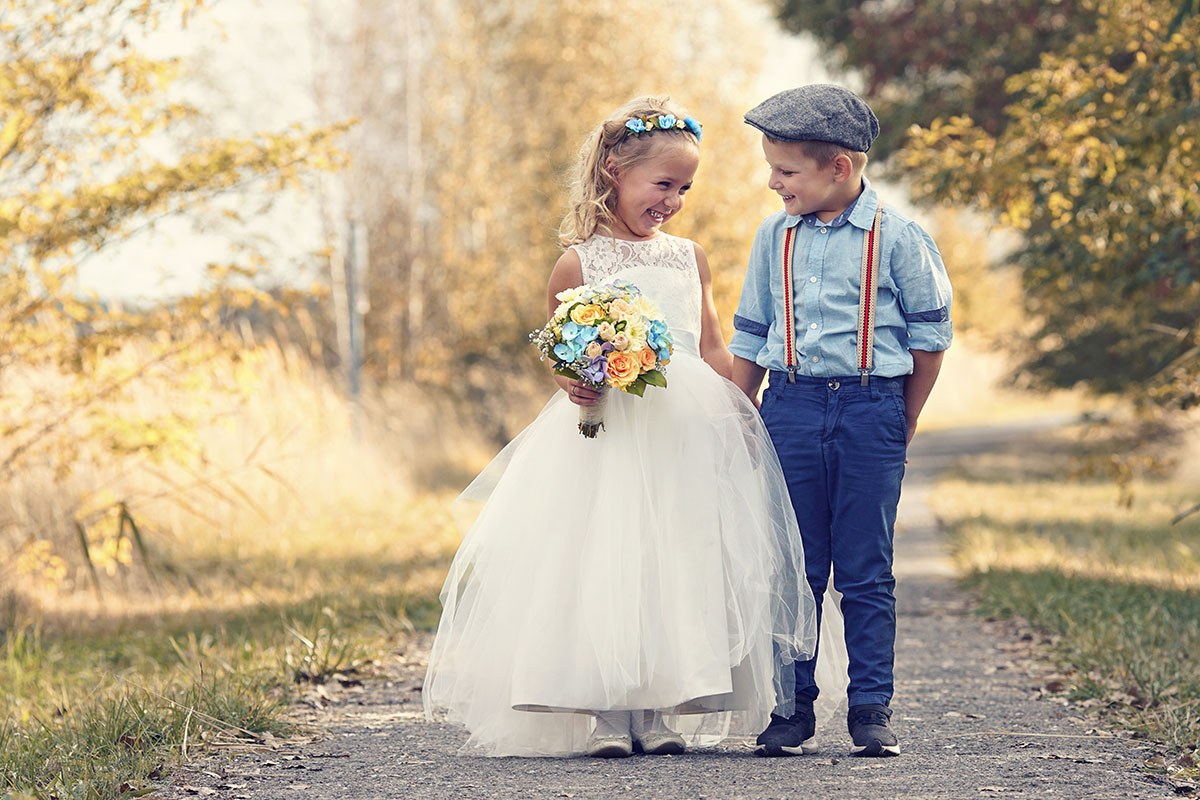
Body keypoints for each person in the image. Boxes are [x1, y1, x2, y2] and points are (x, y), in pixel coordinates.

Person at [422, 96, 825, 759]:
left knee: (679, 558)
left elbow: (713, 346)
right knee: (608, 557)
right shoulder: (578, 264)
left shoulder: (688, 258)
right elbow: (560, 352)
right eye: (663, 184)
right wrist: (572, 378)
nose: (673, 200)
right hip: (607, 430)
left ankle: (667, 709)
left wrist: (742, 410)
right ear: (614, 169)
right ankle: (610, 714)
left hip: (684, 434)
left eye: (685, 188)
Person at [729, 85, 953, 758]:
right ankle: (791, 709)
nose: (773, 183)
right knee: (792, 568)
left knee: (866, 570)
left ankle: (871, 709)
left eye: (786, 171)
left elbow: (929, 341)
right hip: (791, 408)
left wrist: (900, 420)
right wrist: (738, 419)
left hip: (871, 406)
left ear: (840, 167)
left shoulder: (901, 237)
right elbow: (750, 335)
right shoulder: (774, 236)